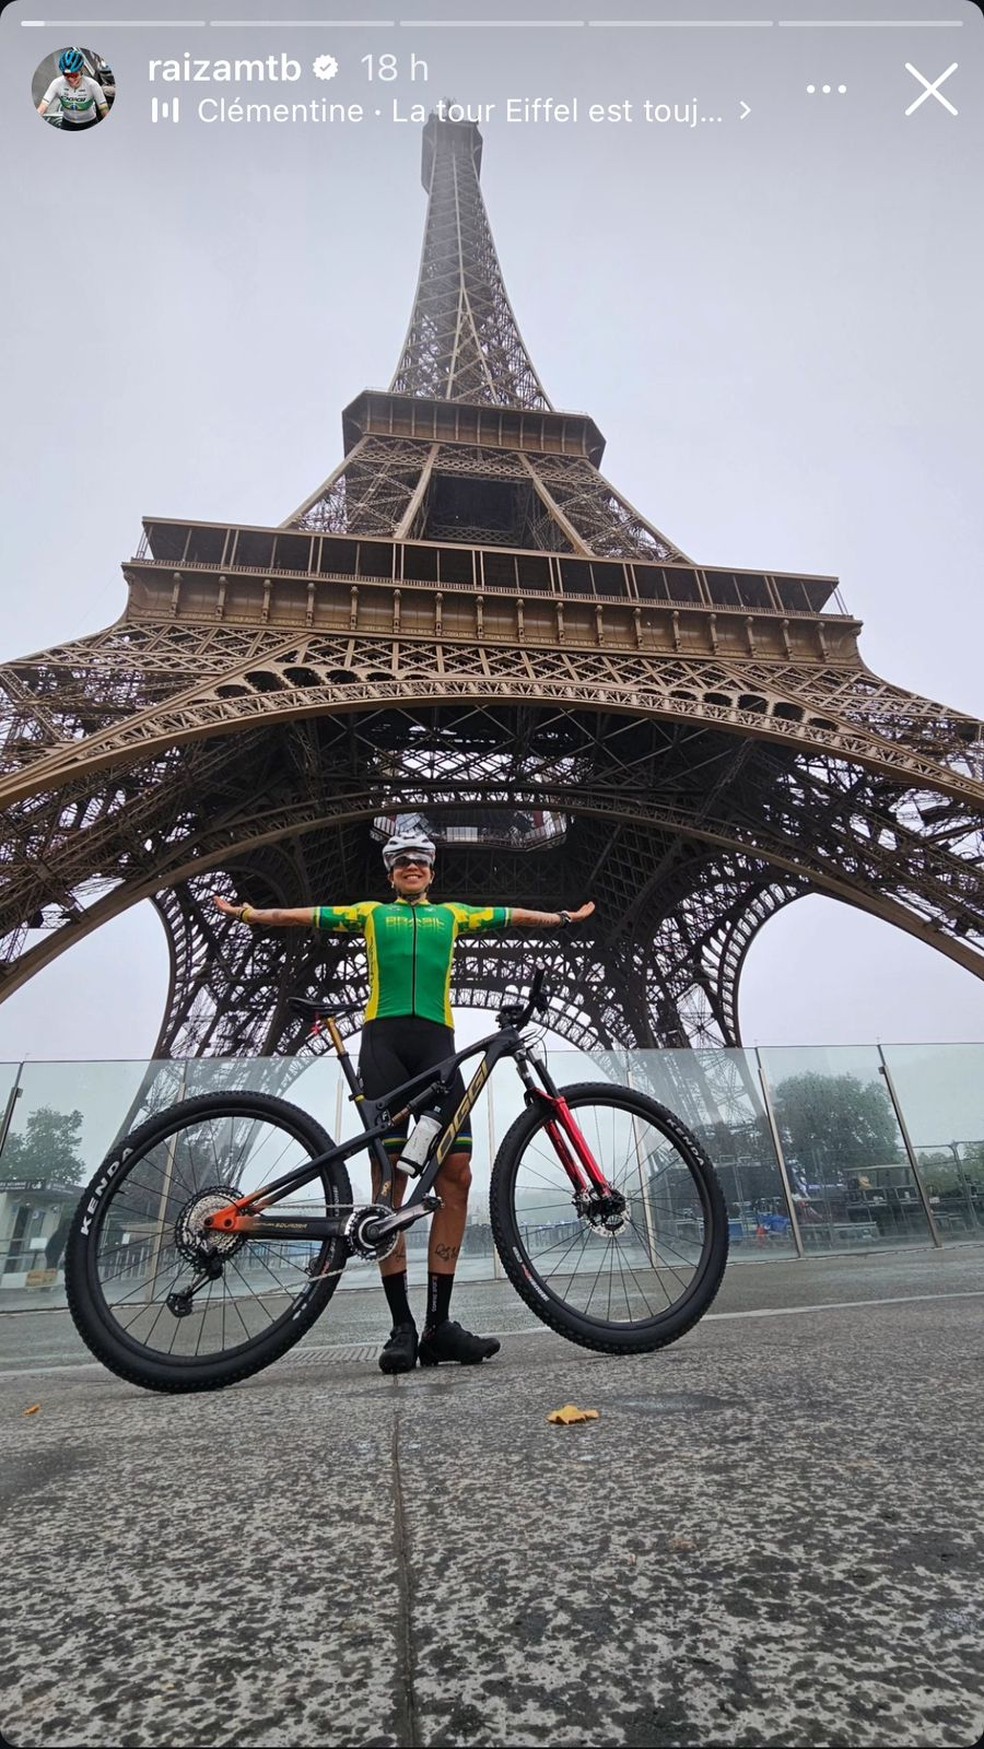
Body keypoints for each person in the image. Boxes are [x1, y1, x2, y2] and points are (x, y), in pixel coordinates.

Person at [213, 835, 594, 1375]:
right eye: (401, 862)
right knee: (388, 1180)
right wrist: (251, 912)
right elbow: (304, 915)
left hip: (437, 1050)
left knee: (455, 1174)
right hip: (385, 1048)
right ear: (390, 874)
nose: (412, 867)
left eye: (420, 861)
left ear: (432, 873)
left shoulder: (454, 916)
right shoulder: (370, 914)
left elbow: (508, 915)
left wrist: (558, 919)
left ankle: (438, 1326)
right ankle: (401, 1327)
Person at [37, 50, 110, 130]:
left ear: (81, 71)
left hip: (90, 123)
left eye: (74, 75)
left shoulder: (93, 85)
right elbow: (42, 107)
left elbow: (104, 110)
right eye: (66, 75)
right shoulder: (56, 83)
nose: (71, 79)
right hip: (67, 123)